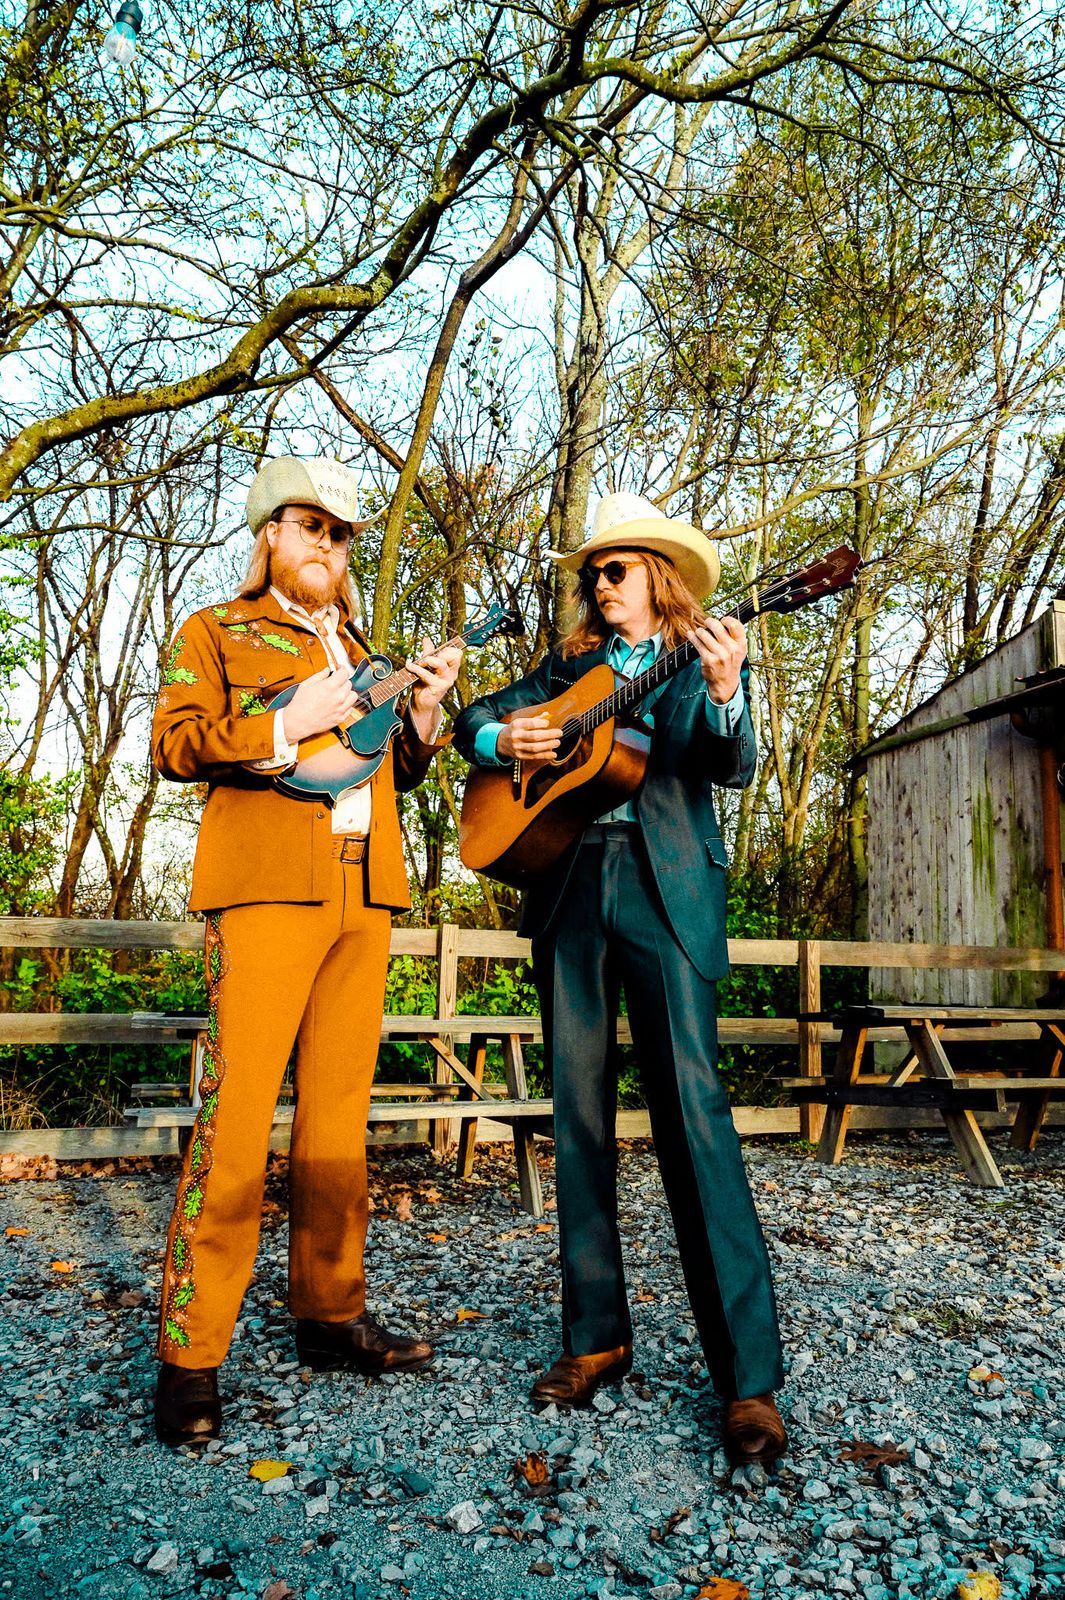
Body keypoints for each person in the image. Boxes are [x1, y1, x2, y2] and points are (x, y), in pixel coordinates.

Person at [452, 492, 786, 1464]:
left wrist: (725, 691)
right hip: (567, 887)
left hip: (664, 889)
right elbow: (476, 717)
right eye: (592, 572)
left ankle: (748, 1379)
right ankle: (594, 1338)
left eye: (616, 568)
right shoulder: (568, 669)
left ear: (658, 576)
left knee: (694, 1117)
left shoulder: (700, 655)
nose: (599, 583)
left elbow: (731, 762)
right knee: (578, 1119)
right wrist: (502, 740)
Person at [151, 456, 462, 1447]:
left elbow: (393, 766)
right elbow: (174, 743)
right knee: (238, 1116)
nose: (327, 542)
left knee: (337, 1118)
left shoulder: (366, 647)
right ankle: (191, 1356)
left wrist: (423, 711)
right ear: (270, 535)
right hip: (263, 891)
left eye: (339, 532)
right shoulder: (214, 629)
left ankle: (330, 1314)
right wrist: (288, 719)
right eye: (310, 524)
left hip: (363, 892)